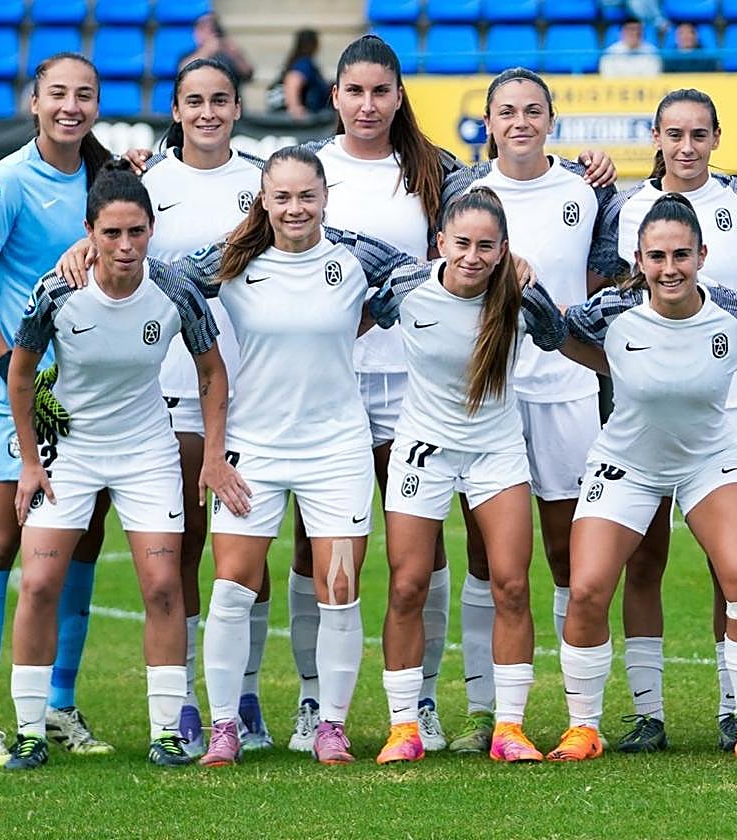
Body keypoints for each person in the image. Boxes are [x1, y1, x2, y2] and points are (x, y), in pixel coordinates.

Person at [53, 59, 274, 758]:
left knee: (250, 553)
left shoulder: (264, 184)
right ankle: (179, 704)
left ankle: (243, 699)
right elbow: (106, 240)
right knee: (181, 551)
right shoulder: (150, 183)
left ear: (238, 108)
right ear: (175, 110)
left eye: (219, 101)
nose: (207, 113)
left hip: (257, 389)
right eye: (193, 102)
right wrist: (75, 250)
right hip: (176, 391)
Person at [171, 145, 417, 767]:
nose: (295, 208)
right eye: (281, 196)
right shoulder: (231, 261)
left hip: (336, 448)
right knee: (231, 590)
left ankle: (330, 726)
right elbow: (160, 279)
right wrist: (86, 252)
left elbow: (429, 273)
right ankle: (224, 727)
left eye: (306, 195)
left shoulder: (357, 258)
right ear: (264, 198)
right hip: (252, 448)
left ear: (326, 196)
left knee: (339, 588)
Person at [544, 193, 737, 763]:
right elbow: (562, 336)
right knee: (587, 588)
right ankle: (583, 727)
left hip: (709, 460)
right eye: (657, 256)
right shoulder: (609, 311)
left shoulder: (734, 316)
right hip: (627, 463)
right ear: (638, 258)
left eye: (681, 255)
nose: (669, 268)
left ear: (702, 254)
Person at [3, 161, 245, 770]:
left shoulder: (174, 290)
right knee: (37, 584)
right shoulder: (56, 291)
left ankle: (166, 730)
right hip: (73, 453)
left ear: (151, 228)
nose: (125, 246)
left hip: (147, 453)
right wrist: (30, 462)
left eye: (136, 232)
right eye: (111, 234)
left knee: (163, 586)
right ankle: (30, 730)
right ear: (89, 231)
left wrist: (212, 454)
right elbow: (22, 372)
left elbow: (212, 371)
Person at [591, 88, 737, 754]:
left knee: (730, 567)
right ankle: (647, 713)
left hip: (724, 403)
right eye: (673, 134)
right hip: (645, 405)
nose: (685, 146)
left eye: (698, 134)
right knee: (643, 558)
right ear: (655, 135)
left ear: (715, 136)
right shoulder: (622, 206)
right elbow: (602, 296)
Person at [283, 33, 464, 754]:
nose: (367, 105)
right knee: (312, 543)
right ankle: (310, 702)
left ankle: (419, 699)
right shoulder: (306, 171)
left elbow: (502, 208)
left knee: (420, 541)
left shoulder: (434, 172)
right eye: (354, 91)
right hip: (328, 382)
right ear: (334, 97)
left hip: (416, 379)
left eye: (380, 91)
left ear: (398, 96)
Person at [439, 67, 617, 754]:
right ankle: (487, 713)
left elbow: (600, 283)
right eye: (506, 111)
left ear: (552, 119)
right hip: (491, 392)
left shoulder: (584, 187)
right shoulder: (468, 194)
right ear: (487, 122)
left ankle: (579, 714)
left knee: (570, 553)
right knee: (488, 557)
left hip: (569, 389)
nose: (520, 121)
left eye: (533, 110)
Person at [0, 52, 114, 767]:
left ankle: (59, 706)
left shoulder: (104, 181)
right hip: (23, 396)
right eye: (57, 95)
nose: (70, 106)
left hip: (94, 398)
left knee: (80, 543)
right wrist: (17, 375)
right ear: (35, 102)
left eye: (84, 94)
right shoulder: (8, 180)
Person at [369, 187, 571, 764]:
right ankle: (403, 726)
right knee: (407, 585)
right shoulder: (405, 289)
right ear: (440, 243)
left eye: (487, 246)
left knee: (510, 583)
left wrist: (533, 284)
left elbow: (561, 337)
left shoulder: (520, 297)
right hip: (422, 451)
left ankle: (509, 726)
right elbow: (351, 312)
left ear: (505, 250)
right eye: (462, 243)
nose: (473, 256)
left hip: (496, 453)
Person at [180, 13, 254, 83]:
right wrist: (207, 50)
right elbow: (183, 71)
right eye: (203, 27)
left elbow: (248, 74)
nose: (210, 30)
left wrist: (235, 54)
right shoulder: (189, 55)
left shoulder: (228, 52)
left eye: (213, 26)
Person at [273, 29, 331, 120]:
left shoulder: (296, 62)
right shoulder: (303, 63)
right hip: (303, 119)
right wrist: (295, 108)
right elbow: (292, 81)